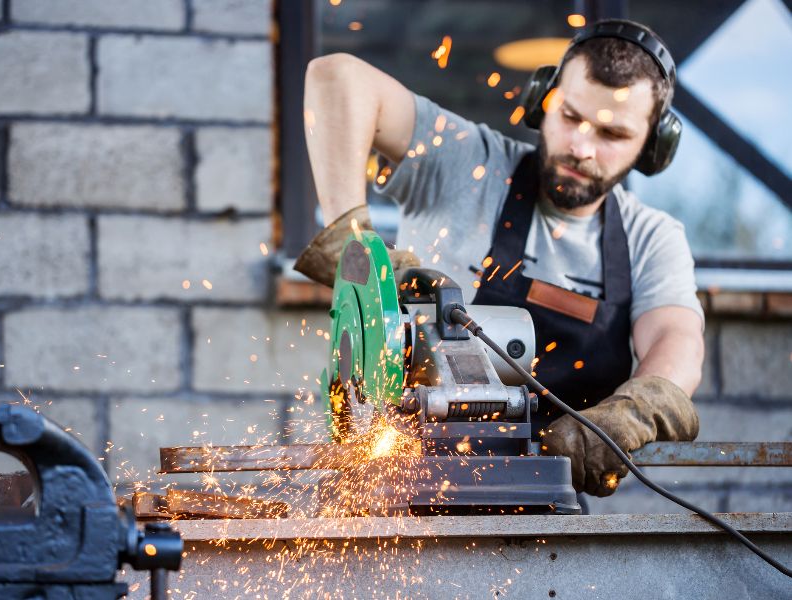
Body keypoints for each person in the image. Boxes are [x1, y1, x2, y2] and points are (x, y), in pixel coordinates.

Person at [294, 20, 703, 498]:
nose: (581, 147)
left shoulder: (650, 238)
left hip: (545, 509)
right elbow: (334, 77)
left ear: (654, 146)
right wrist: (354, 244)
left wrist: (634, 410)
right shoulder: (468, 164)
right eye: (570, 116)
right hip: (393, 483)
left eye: (612, 134)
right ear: (541, 99)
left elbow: (678, 341)